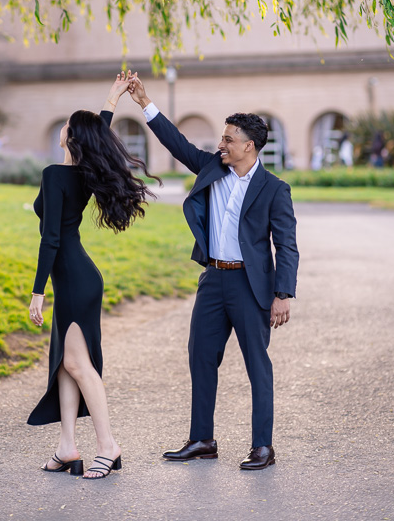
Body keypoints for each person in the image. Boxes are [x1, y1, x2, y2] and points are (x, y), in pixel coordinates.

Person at [127, 74, 299, 470]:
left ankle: (262, 447)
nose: (220, 144)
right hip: (212, 280)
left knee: (258, 365)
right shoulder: (212, 167)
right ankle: (203, 439)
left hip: (250, 285)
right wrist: (144, 103)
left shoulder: (275, 189)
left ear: (248, 146)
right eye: (221, 138)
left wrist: (282, 294)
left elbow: (286, 245)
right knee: (201, 357)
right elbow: (177, 143)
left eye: (227, 139)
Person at [27, 73, 158, 479]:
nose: (64, 127)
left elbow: (50, 240)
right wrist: (112, 98)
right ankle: (67, 447)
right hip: (77, 277)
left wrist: (37, 293)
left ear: (71, 137)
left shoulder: (54, 175)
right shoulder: (80, 175)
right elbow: (97, 133)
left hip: (74, 280)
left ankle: (109, 447)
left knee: (80, 367)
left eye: (68, 125)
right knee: (66, 364)